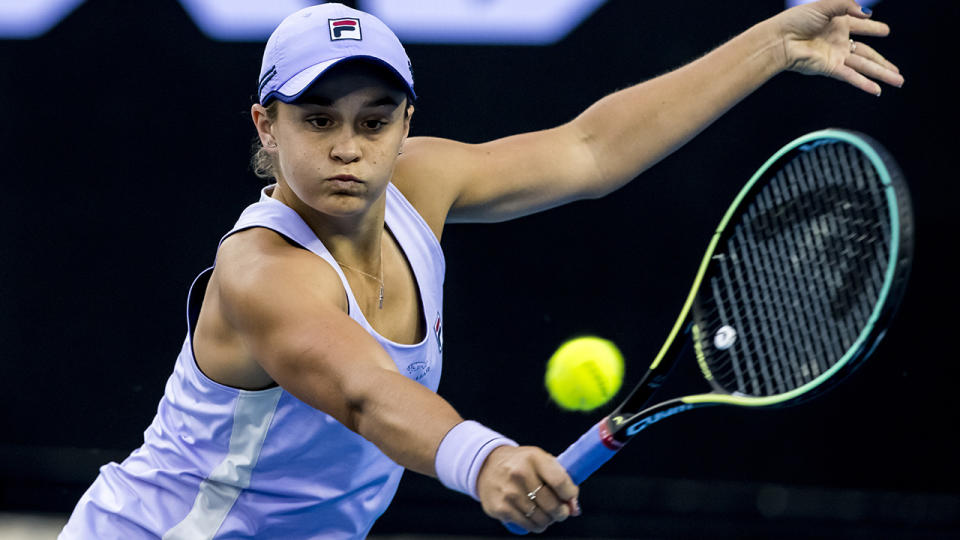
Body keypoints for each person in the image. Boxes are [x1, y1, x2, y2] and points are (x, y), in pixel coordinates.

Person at [60, 1, 902, 538]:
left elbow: (590, 148)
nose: (349, 146)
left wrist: (769, 44)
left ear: (405, 123)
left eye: (374, 120)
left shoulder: (421, 184)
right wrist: (485, 459)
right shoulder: (261, 272)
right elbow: (363, 390)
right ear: (266, 125)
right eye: (318, 120)